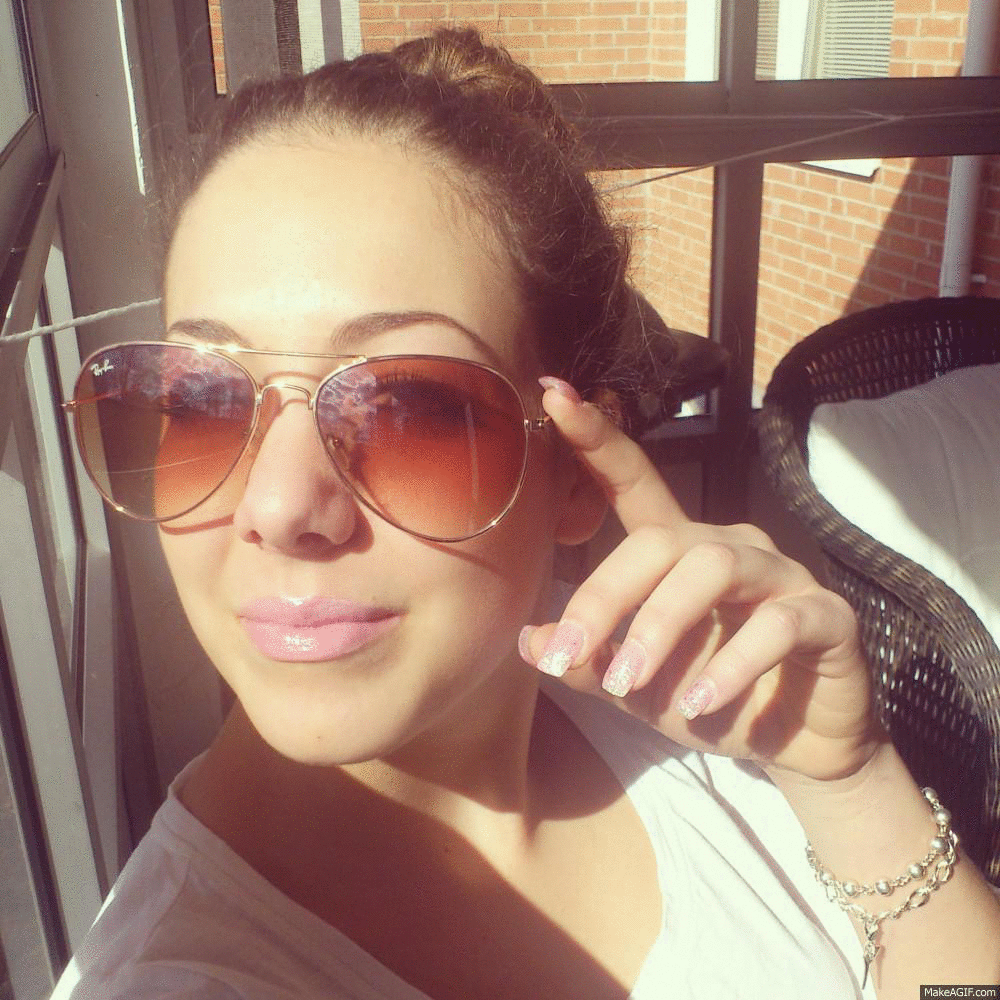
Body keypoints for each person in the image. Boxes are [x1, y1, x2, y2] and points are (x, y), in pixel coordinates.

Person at [53, 27, 1000, 1000]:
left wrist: (853, 786)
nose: (278, 504)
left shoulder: (698, 717)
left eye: (410, 407)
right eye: (199, 403)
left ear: (576, 468)